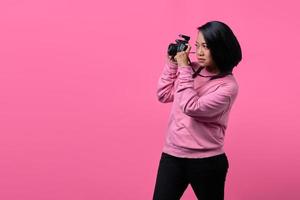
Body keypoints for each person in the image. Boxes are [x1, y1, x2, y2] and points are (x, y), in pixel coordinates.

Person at [153, 21, 242, 200]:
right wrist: (172, 65)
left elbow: (191, 107)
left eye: (206, 46)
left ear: (221, 48)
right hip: (172, 156)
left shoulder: (228, 87)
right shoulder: (192, 70)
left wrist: (184, 68)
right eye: (197, 46)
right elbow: (164, 95)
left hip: (207, 162)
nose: (199, 52)